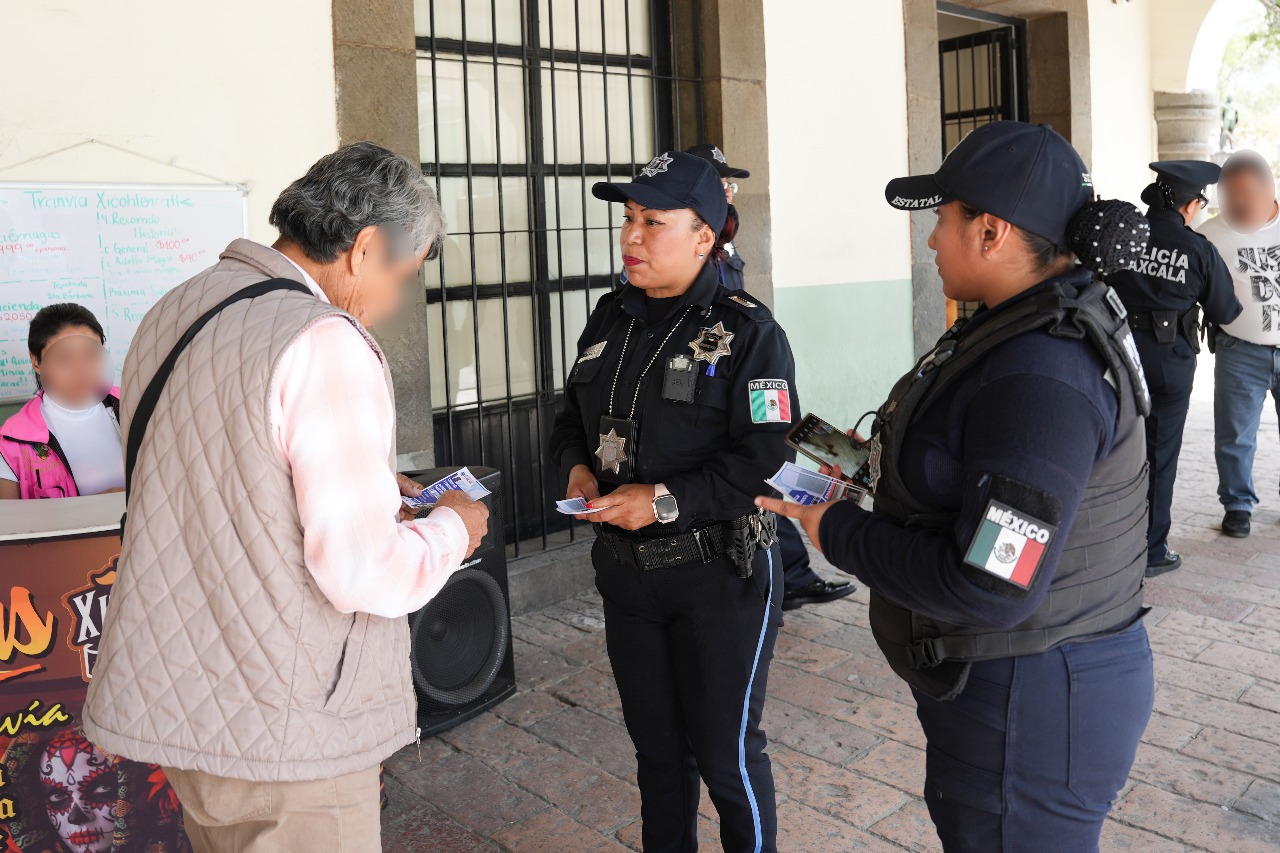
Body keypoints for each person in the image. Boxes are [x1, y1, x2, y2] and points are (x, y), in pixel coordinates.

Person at [82, 142, 489, 853]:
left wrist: (364, 486)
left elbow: (219, 477)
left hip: (187, 702)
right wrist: (454, 529)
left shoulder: (176, 307)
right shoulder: (323, 340)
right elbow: (362, 572)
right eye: (403, 275)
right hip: (285, 727)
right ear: (366, 249)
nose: (394, 302)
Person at [758, 122, 1155, 851]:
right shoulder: (1016, 322)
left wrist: (833, 528)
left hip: (1032, 702)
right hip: (1008, 689)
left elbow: (994, 584)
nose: (933, 239)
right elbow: (968, 464)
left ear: (991, 231)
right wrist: (855, 463)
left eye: (943, 219)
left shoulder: (1042, 375)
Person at [549, 151, 796, 851]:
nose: (631, 235)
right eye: (628, 218)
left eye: (653, 221)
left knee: (726, 754)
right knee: (658, 755)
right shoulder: (610, 317)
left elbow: (768, 459)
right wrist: (575, 469)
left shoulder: (750, 333)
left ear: (703, 236)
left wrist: (663, 501)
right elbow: (568, 418)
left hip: (720, 575)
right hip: (628, 577)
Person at [686, 142, 856, 612]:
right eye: (721, 185)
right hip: (710, 394)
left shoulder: (726, 244)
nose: (729, 193)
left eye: (731, 186)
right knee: (764, 474)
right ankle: (789, 575)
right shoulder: (678, 255)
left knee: (773, 462)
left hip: (747, 380)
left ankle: (791, 574)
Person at [1106, 161, 1242, 574]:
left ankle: (1106, 543)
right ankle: (1152, 551)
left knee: (1110, 451)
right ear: (1191, 204)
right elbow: (1225, 311)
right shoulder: (1198, 248)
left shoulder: (1124, 234)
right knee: (1160, 457)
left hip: (1114, 358)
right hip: (1169, 364)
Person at [1198, 150, 1280, 538]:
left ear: (1270, 191)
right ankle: (1237, 504)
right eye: (1229, 196)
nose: (1237, 205)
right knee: (1234, 434)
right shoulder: (1209, 235)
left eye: (1245, 195)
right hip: (1240, 349)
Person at [0, 304, 122, 500]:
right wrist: (97, 504)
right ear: (36, 361)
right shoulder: (10, 443)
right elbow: (7, 518)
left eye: (91, 355)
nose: (81, 370)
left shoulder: (136, 404)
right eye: (64, 358)